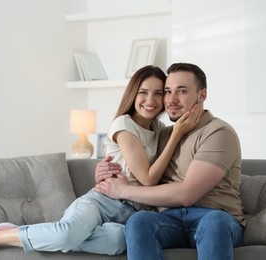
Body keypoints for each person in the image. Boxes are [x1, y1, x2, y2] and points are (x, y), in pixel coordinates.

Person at [0, 65, 201, 260]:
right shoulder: (124, 124)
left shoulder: (160, 128)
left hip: (131, 213)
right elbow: (148, 178)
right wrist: (177, 133)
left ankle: (22, 233)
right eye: (144, 92)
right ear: (133, 94)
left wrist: (175, 132)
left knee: (119, 240)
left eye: (158, 93)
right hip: (103, 200)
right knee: (66, 235)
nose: (151, 101)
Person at [94, 62, 245, 260]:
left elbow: (188, 195)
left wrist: (123, 190)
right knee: (139, 221)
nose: (171, 100)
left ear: (202, 95)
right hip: (170, 219)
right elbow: (141, 169)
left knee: (215, 221)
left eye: (181, 91)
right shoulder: (163, 134)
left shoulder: (218, 132)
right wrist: (105, 170)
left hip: (215, 217)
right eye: (167, 91)